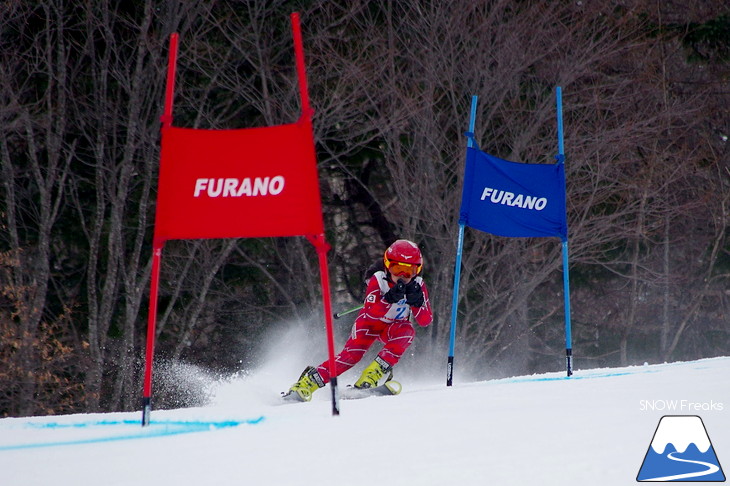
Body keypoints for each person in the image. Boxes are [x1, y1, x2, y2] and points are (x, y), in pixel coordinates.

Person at [284, 239, 433, 402]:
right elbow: (370, 313)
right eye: (397, 269)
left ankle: (369, 378)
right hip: (369, 324)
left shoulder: (418, 285)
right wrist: (388, 299)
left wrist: (418, 303)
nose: (403, 277)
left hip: (393, 327)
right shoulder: (379, 279)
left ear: (417, 270)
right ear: (387, 265)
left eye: (409, 271)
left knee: (407, 332)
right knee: (350, 357)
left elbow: (425, 321)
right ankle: (307, 383)